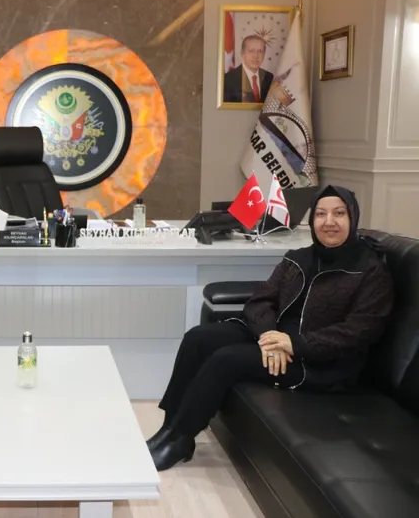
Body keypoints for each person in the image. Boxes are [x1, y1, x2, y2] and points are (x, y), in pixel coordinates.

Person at [146, 185, 394, 471]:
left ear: (353, 218)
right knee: (198, 338)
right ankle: (169, 428)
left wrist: (293, 344)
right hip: (276, 339)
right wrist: (268, 337)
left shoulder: (370, 271)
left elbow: (359, 331)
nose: (329, 222)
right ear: (312, 220)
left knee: (227, 359)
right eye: (321, 214)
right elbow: (261, 300)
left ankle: (179, 438)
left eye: (339, 214)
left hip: (319, 361)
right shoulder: (298, 258)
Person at [224, 35, 274, 103]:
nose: (256, 56)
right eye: (251, 51)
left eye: (260, 51)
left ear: (264, 54)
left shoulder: (269, 78)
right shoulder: (228, 79)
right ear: (242, 53)